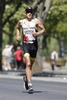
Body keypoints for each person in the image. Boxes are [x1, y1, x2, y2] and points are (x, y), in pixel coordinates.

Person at [16, 6, 46, 92]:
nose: (29, 13)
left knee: (30, 66)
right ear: (25, 13)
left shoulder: (36, 21)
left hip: (34, 46)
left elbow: (44, 30)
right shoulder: (21, 22)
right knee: (28, 64)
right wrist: (18, 36)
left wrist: (37, 33)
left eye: (31, 12)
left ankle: (26, 78)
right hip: (25, 45)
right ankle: (30, 83)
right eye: (28, 11)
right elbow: (18, 28)